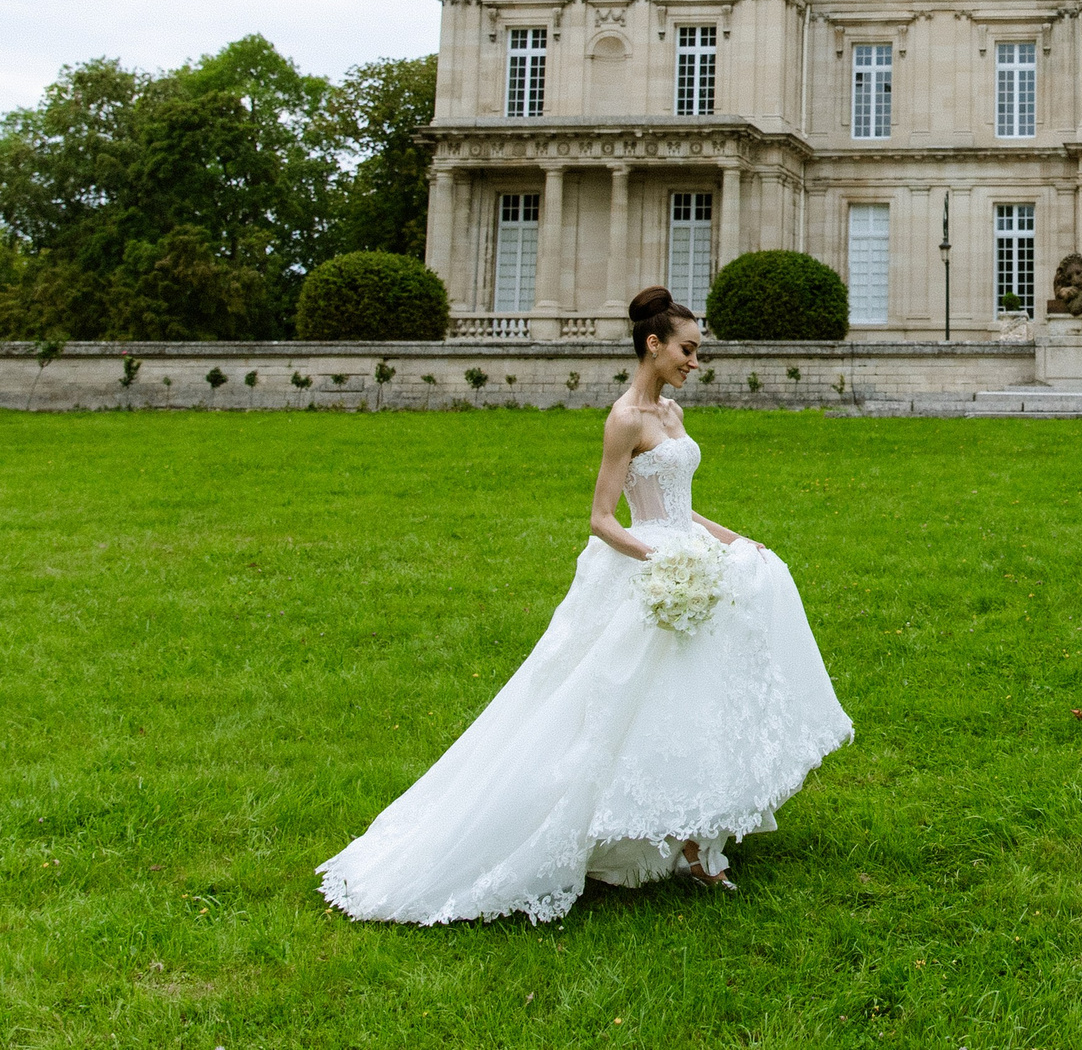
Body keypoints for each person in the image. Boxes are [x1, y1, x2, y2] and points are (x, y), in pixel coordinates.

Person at [318, 286, 852, 924]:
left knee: (695, 700)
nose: (695, 362)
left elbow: (678, 503)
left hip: (686, 559)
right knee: (610, 706)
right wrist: (664, 561)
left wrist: (732, 541)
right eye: (687, 350)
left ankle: (695, 842)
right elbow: (603, 519)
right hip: (645, 568)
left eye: (698, 352)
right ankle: (616, 833)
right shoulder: (624, 418)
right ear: (653, 345)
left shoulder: (675, 415)